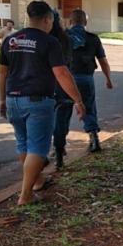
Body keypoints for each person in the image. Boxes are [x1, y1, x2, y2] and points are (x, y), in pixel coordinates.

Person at [0, 1, 85, 206]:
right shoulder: (49, 42)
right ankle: (25, 195)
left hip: (13, 100)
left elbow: (2, 72)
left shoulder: (11, 40)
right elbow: (61, 73)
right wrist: (78, 100)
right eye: (51, 21)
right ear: (46, 19)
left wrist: (2, 99)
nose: (51, 25)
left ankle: (36, 182)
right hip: (38, 102)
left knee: (23, 143)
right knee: (38, 148)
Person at [66, 9, 113, 153]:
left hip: (65, 79)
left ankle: (59, 146)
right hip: (86, 79)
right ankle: (94, 138)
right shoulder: (93, 38)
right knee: (89, 108)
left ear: (70, 22)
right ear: (85, 22)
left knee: (62, 110)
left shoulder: (64, 37)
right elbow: (103, 61)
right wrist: (108, 79)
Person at [50, 11, 74, 170]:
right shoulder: (66, 39)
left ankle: (54, 151)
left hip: (45, 87)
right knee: (62, 121)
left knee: (47, 122)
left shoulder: (42, 40)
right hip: (63, 86)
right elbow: (67, 64)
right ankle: (60, 150)